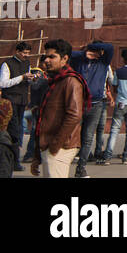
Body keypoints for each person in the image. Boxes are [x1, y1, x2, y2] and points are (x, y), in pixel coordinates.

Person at [31, 39, 88, 179]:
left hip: (61, 146)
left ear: (65, 59)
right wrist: (38, 155)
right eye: (46, 57)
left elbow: (74, 115)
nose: (47, 61)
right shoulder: (55, 81)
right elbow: (43, 119)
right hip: (50, 145)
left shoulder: (70, 81)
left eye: (52, 57)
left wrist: (56, 145)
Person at [70, 38, 113, 176]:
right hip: (77, 104)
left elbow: (110, 47)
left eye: (97, 51)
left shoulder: (103, 63)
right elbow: (68, 54)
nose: (94, 53)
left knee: (88, 137)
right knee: (71, 134)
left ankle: (80, 168)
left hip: (96, 105)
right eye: (92, 51)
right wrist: (85, 53)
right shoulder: (79, 61)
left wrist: (91, 46)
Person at [0, 41, 35, 166]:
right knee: (14, 130)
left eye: (28, 53)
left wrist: (31, 79)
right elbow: (3, 83)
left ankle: (14, 158)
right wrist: (21, 77)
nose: (26, 55)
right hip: (9, 101)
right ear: (17, 52)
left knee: (19, 128)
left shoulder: (27, 63)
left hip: (22, 101)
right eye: (24, 53)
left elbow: (27, 80)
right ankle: (14, 161)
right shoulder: (7, 64)